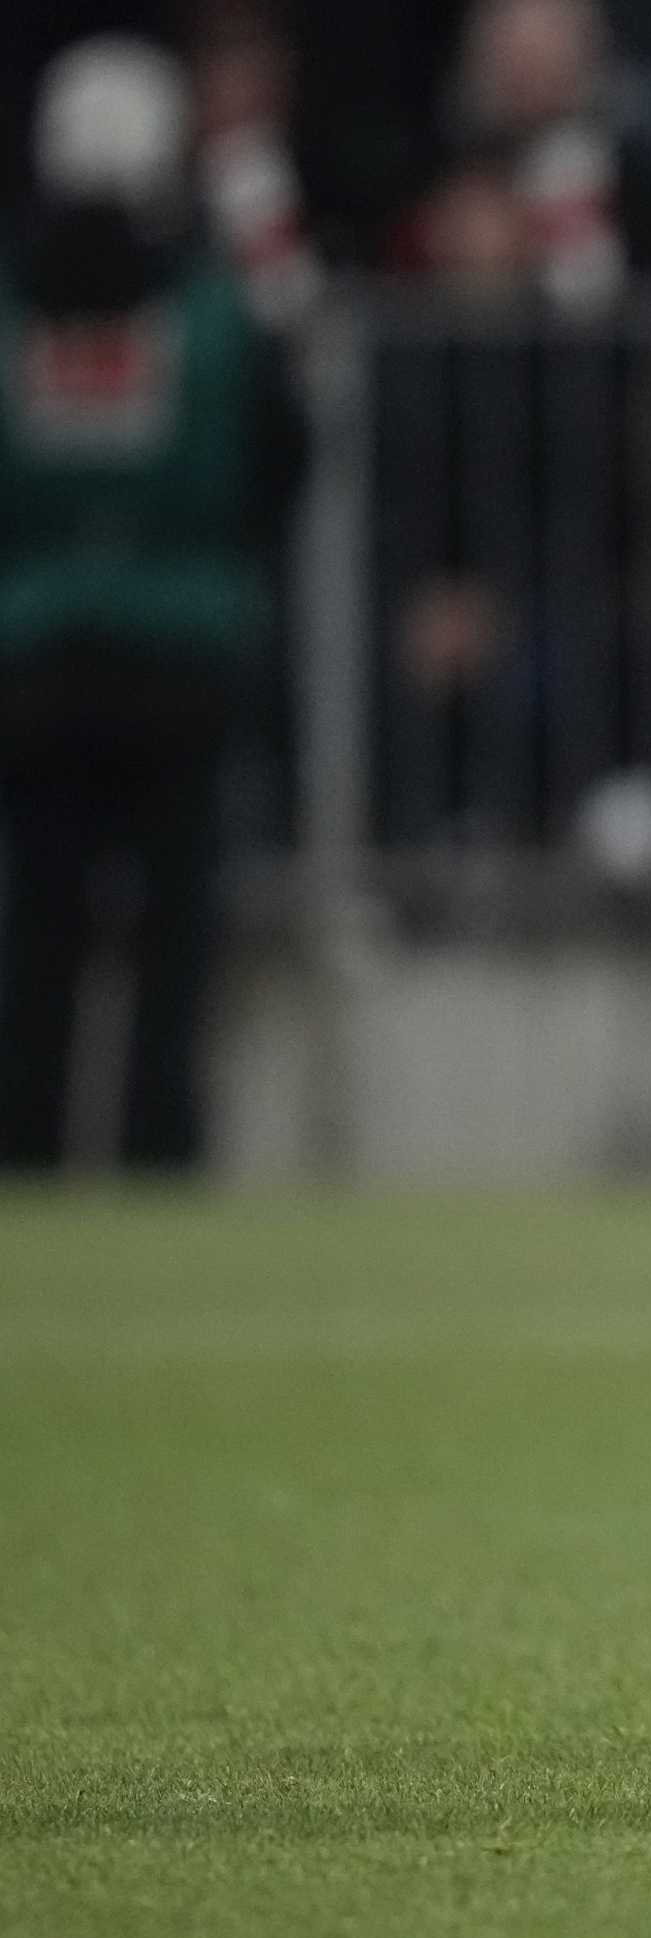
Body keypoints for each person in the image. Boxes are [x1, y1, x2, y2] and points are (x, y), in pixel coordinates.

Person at [0, 36, 306, 1172]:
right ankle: (157, 1149)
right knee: (175, 938)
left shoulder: (16, 302)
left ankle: (25, 1152)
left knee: (39, 928)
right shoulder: (213, 307)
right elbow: (280, 460)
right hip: (182, 652)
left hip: (33, 651)